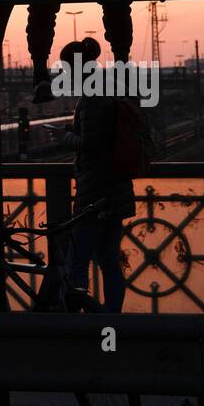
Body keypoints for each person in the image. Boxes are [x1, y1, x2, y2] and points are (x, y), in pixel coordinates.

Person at [60, 37, 134, 312]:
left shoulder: (91, 97)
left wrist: (65, 136)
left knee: (77, 260)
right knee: (109, 261)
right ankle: (111, 317)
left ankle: (78, 317)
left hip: (95, 194)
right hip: (116, 190)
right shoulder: (108, 87)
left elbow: (90, 144)